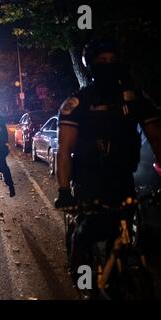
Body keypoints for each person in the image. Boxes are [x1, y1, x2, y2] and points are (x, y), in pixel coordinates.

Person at [54, 39, 161, 275]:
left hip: (123, 178)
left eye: (113, 61)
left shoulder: (133, 99)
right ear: (90, 66)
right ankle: (81, 272)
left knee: (123, 235)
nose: (108, 65)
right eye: (101, 61)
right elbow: (64, 149)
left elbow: (157, 139)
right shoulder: (78, 102)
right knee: (87, 233)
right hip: (88, 180)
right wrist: (64, 191)